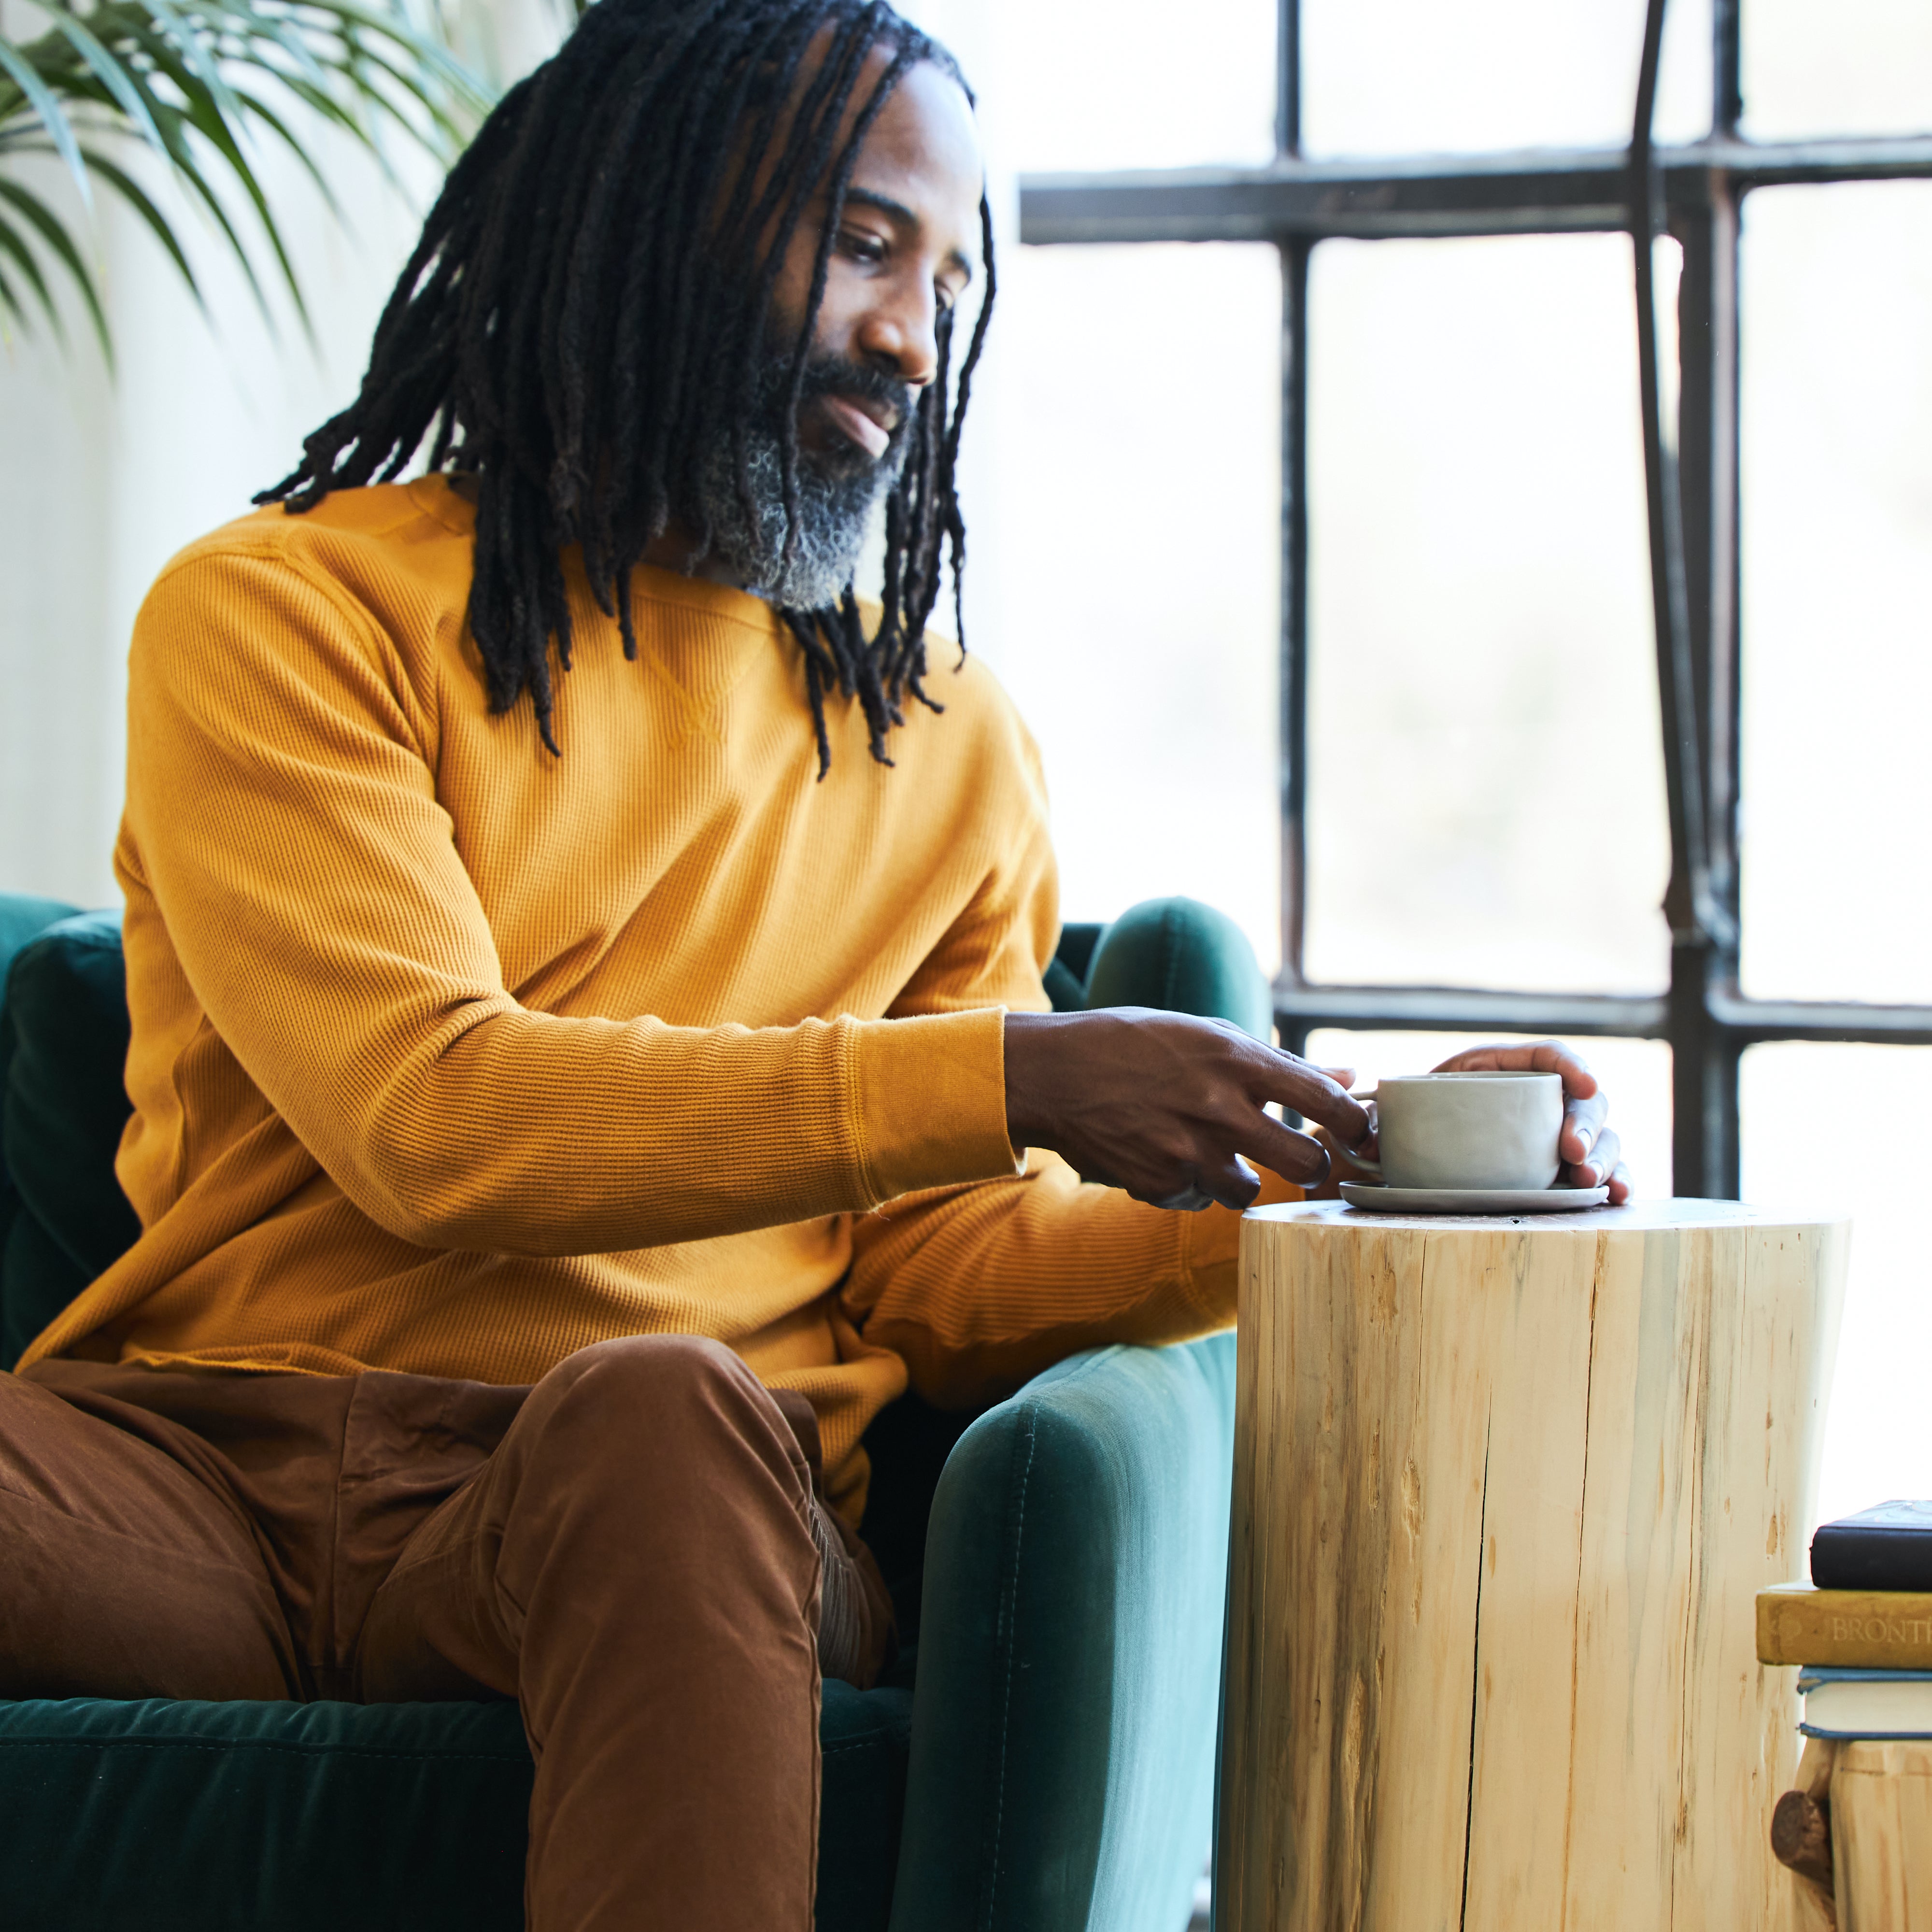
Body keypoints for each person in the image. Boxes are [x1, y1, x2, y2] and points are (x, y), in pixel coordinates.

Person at [0, 1, 1631, 1925]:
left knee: (658, 1401)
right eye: (865, 243)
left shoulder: (944, 749)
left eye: (949, 282)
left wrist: (1343, 1172)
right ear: (656, 210)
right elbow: (431, 1117)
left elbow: (933, 1265)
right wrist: (1018, 1076)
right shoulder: (283, 613)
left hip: (651, 1497)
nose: (912, 335)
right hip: (198, 1488)